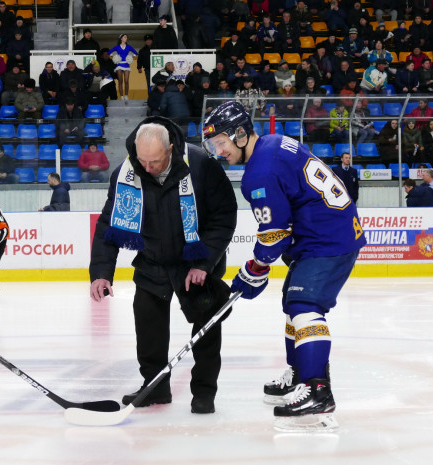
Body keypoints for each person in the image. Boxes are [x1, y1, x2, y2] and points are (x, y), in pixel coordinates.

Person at [201, 101, 365, 431]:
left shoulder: (258, 173)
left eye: (220, 143)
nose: (218, 152)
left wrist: (255, 268)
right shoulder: (273, 143)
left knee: (305, 305)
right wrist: (258, 268)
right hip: (327, 233)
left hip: (327, 241)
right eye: (213, 145)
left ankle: (317, 389)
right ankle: (300, 375)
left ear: (241, 134)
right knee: (292, 302)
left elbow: (274, 235)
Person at [90, 118, 237, 414]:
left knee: (205, 330)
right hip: (152, 262)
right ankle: (155, 387)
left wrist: (204, 263)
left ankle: (204, 392)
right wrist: (101, 273)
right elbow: (108, 223)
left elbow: (224, 215)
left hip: (194, 263)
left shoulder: (200, 165)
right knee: (149, 332)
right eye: (142, 160)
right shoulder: (126, 173)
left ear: (170, 149)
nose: (147, 168)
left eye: (155, 161)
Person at [108, 34, 138, 100]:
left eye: (126, 37)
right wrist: (113, 56)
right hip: (119, 65)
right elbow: (109, 52)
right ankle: (121, 96)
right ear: (121, 39)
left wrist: (131, 56)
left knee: (126, 81)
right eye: (124, 37)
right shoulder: (117, 47)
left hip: (126, 65)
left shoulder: (129, 47)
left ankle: (126, 95)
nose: (126, 38)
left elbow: (136, 53)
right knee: (120, 81)